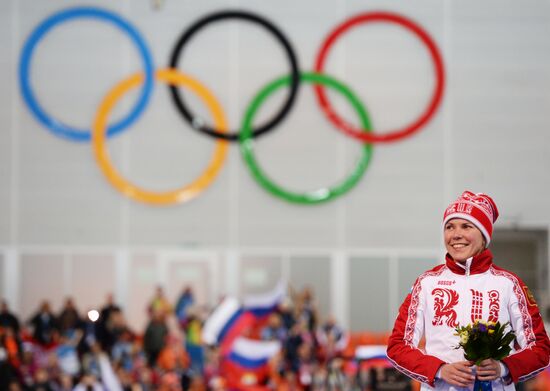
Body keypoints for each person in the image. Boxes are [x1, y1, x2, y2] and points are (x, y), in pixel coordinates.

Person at [387, 191, 550, 390]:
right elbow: (398, 346)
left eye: (466, 226)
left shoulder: (509, 284)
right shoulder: (426, 283)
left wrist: (504, 367)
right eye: (449, 227)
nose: (456, 235)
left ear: (484, 236)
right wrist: (439, 369)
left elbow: (541, 349)